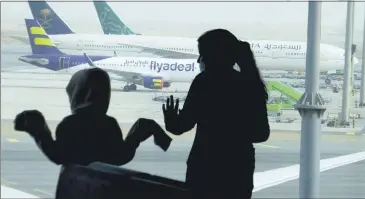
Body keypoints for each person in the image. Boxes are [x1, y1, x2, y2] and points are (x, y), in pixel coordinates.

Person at [162, 29, 270, 199]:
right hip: (239, 171)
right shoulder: (249, 84)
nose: (199, 60)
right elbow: (262, 134)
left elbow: (181, 126)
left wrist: (170, 119)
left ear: (212, 56)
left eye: (202, 54)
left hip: (204, 168)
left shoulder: (204, 82)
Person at [14, 68, 170, 166]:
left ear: (77, 94)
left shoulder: (70, 124)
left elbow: (58, 156)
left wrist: (39, 129)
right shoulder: (109, 124)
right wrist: (136, 136)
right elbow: (120, 157)